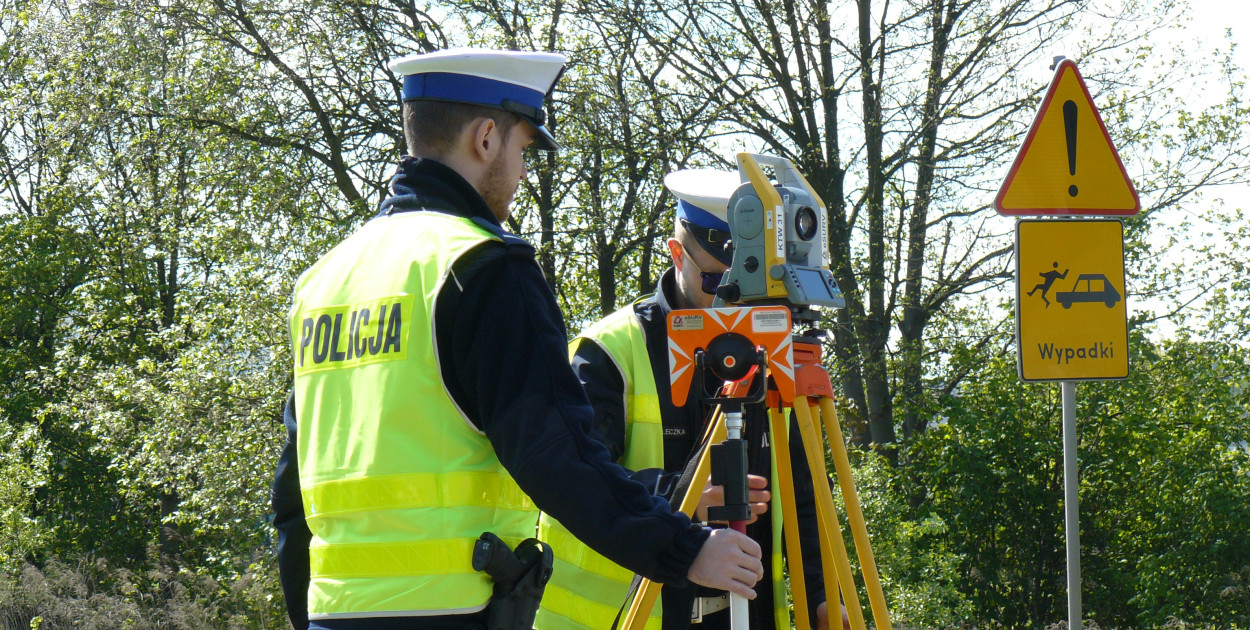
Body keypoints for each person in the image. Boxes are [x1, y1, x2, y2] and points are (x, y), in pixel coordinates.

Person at [270, 50, 763, 630]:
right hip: (455, 608)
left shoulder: (327, 277)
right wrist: (684, 548)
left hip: (336, 614)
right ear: (485, 138)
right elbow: (555, 452)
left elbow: (292, 495)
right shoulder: (481, 263)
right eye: (523, 149)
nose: (524, 173)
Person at [535, 169, 846, 630]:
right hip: (634, 615)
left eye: (746, 280)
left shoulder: (768, 349)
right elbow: (569, 480)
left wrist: (821, 596)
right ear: (676, 253)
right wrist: (682, 496)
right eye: (717, 280)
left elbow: (804, 489)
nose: (731, 300)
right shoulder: (609, 352)